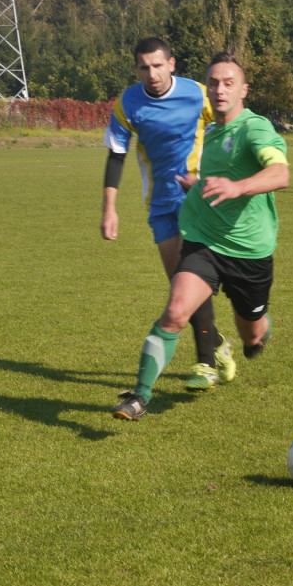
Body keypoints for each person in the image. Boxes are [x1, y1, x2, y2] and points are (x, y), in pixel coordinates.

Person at [112, 52, 289, 420]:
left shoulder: (255, 128)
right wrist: (199, 186)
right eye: (213, 83)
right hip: (204, 239)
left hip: (249, 250)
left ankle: (261, 330)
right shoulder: (211, 130)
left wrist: (238, 187)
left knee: (251, 335)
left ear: (243, 89)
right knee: (176, 311)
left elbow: (279, 174)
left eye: (228, 83)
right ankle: (139, 397)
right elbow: (218, 180)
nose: (220, 89)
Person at [102, 37, 234, 392]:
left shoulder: (197, 94)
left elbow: (230, 123)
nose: (152, 73)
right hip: (160, 206)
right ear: (136, 69)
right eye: (144, 67)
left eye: (158, 65)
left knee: (191, 279)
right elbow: (116, 156)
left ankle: (206, 364)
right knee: (181, 287)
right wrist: (109, 209)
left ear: (171, 64)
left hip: (198, 203)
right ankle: (218, 344)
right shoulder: (127, 103)